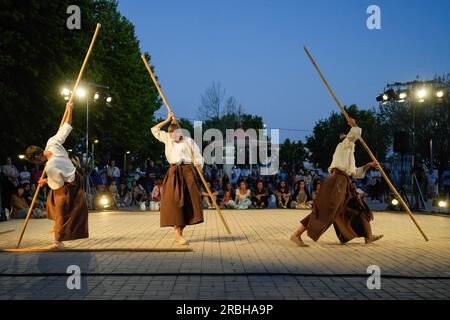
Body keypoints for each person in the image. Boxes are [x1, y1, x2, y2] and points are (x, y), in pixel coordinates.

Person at [290, 118, 383, 246]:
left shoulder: (349, 153)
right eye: (349, 138)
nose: (352, 141)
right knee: (324, 211)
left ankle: (368, 235)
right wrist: (354, 125)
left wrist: (368, 165)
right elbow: (354, 134)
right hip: (337, 183)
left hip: (344, 183)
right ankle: (296, 234)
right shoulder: (344, 145)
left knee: (357, 208)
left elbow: (354, 172)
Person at [24, 101, 89, 249]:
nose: (36, 165)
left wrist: (46, 181)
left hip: (73, 183)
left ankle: (58, 240)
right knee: (52, 202)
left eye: (35, 162)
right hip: (71, 176)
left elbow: (58, 185)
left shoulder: (51, 166)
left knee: (60, 207)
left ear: (38, 157)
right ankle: (59, 228)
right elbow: (66, 125)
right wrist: (69, 109)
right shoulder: (51, 142)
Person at [151, 111, 204, 245]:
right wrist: (167, 120)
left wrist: (198, 163)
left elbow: (198, 156)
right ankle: (177, 233)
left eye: (174, 133)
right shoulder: (168, 139)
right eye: (170, 134)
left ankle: (180, 233)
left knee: (188, 202)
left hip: (187, 172)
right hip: (174, 172)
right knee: (175, 202)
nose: (172, 136)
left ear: (180, 132)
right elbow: (154, 129)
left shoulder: (188, 141)